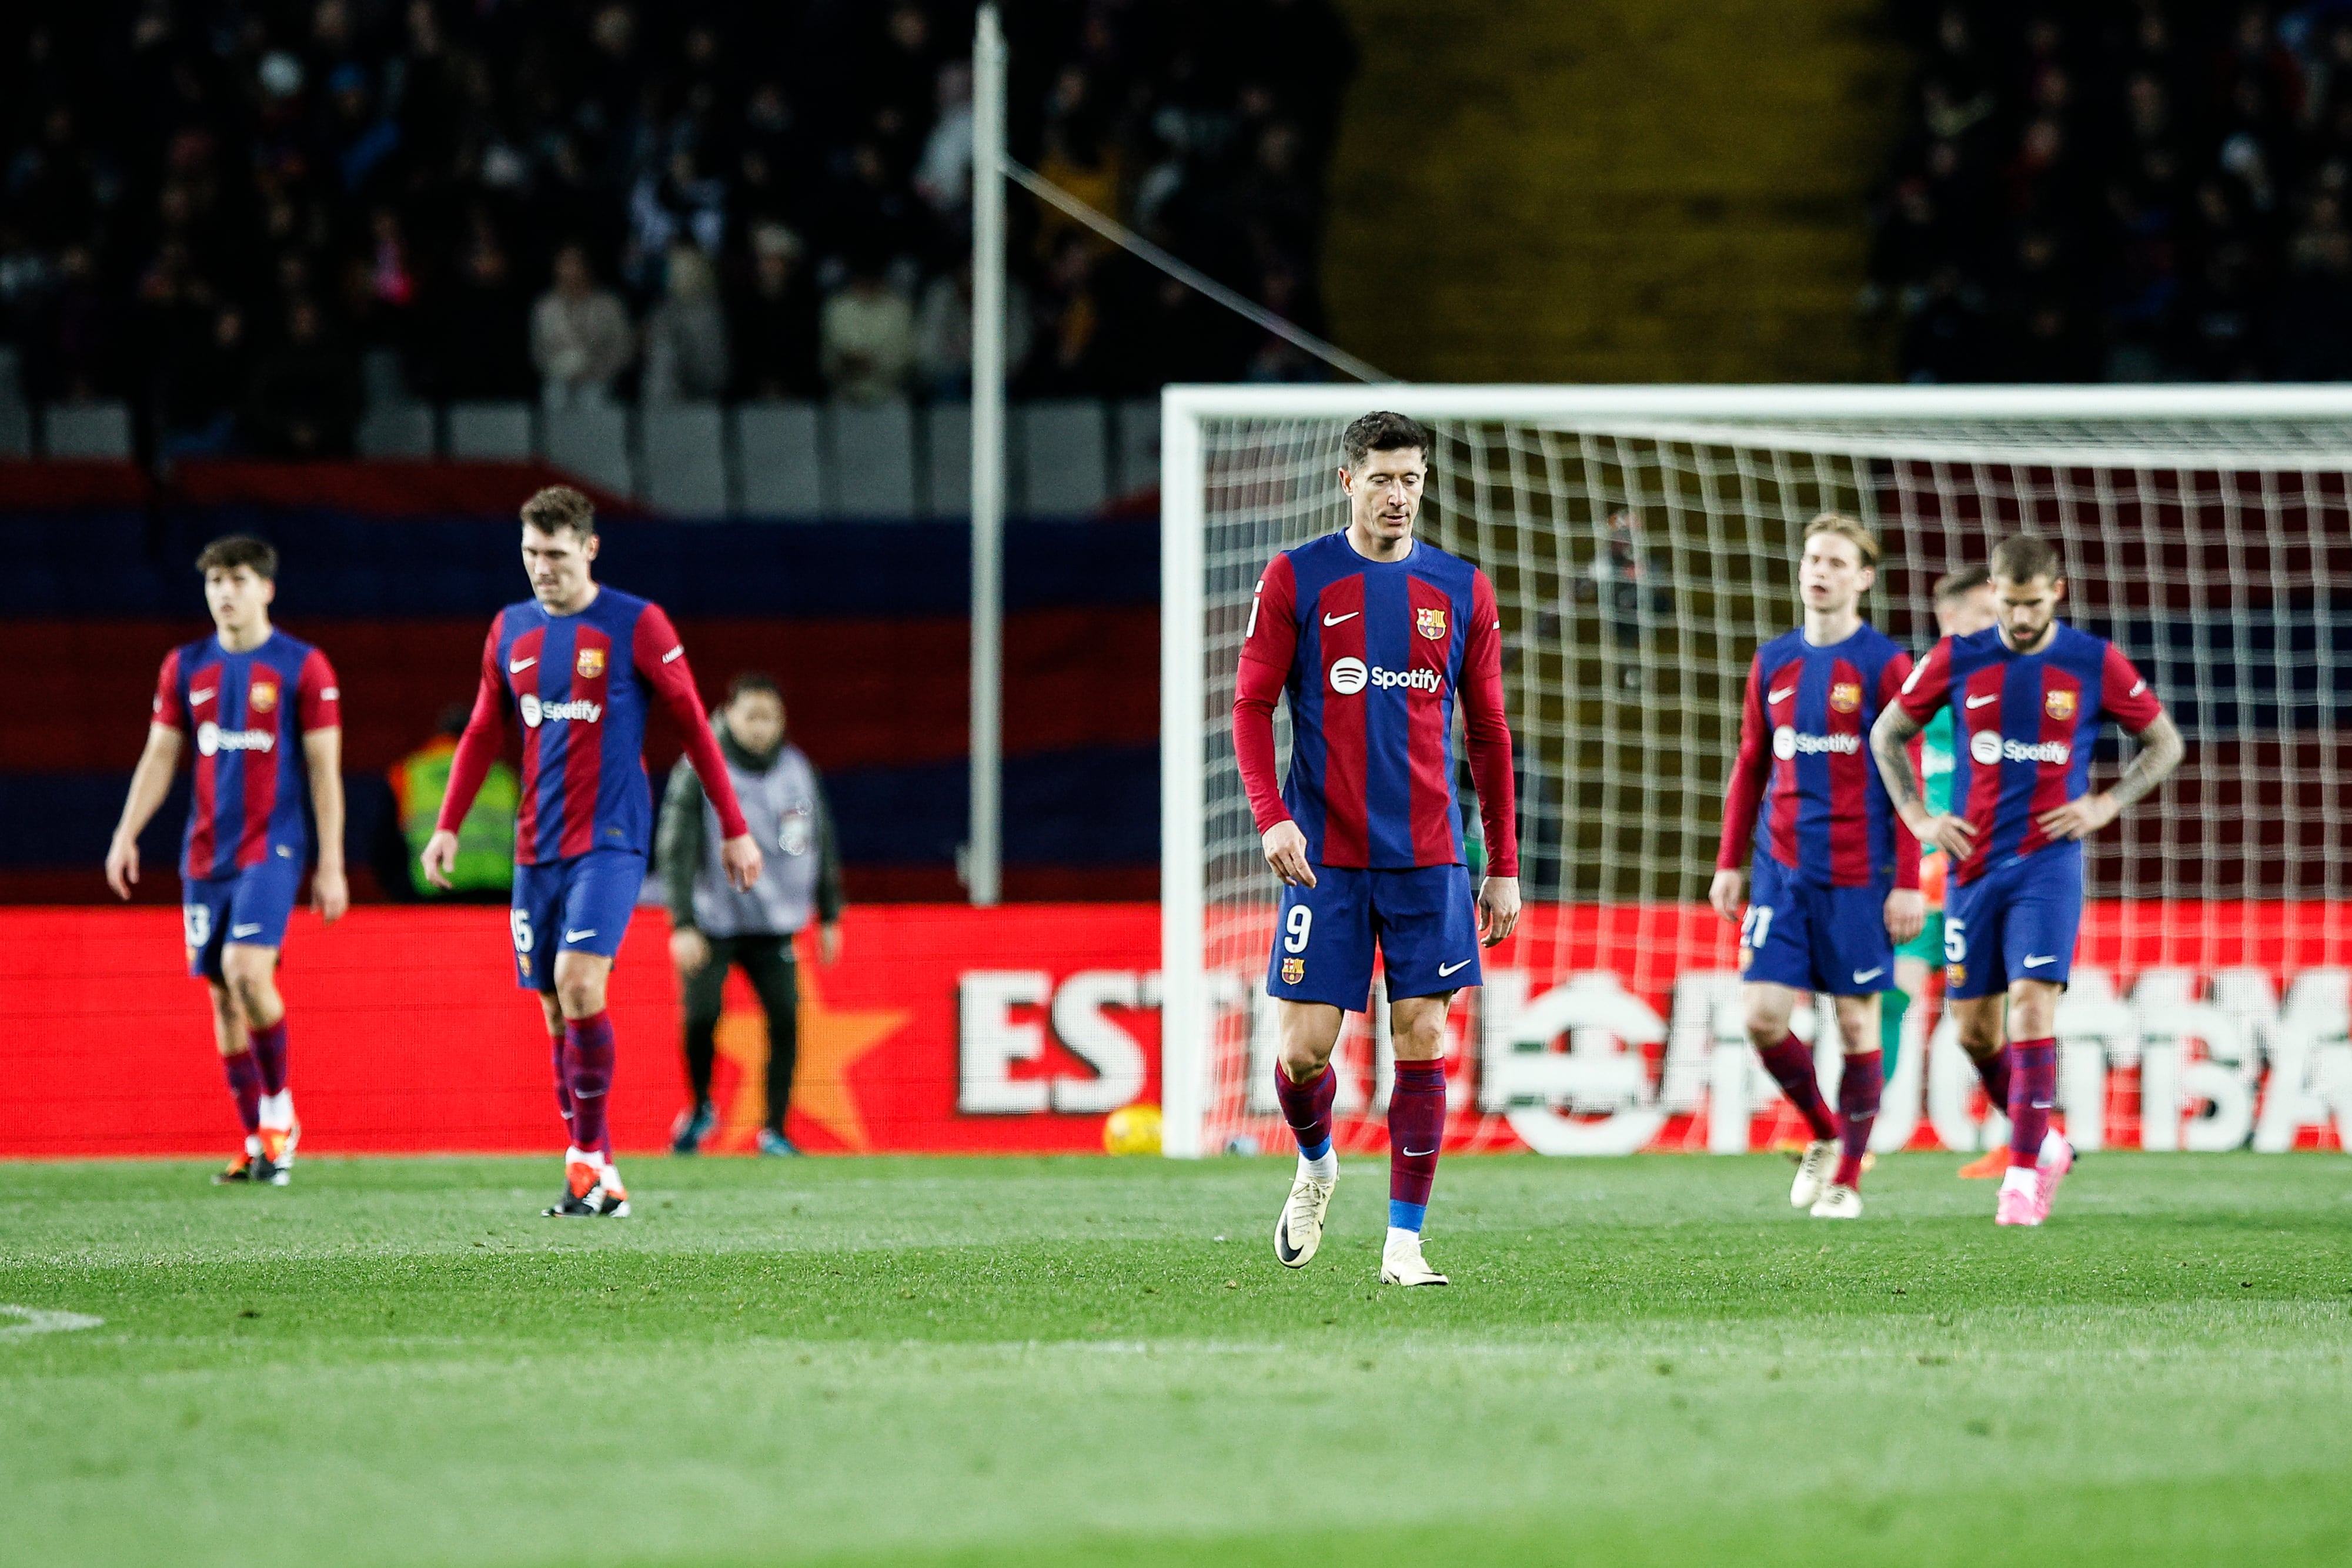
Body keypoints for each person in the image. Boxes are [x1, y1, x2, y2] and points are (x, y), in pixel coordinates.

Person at [1232, 410, 1521, 1288]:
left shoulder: (1461, 588)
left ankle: (1404, 1242)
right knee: (1304, 1051)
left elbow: (1491, 732)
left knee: (1424, 1034)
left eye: (1412, 479)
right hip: (1326, 853)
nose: (1399, 495)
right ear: (1348, 481)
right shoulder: (1298, 577)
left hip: (1431, 854)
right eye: (1383, 478)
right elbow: (1250, 706)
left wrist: (1502, 861)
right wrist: (1271, 814)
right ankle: (1317, 1162)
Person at [420, 486, 760, 1218]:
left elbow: (696, 726)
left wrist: (733, 825)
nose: (542, 567)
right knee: (553, 1008)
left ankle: (588, 1160)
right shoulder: (509, 629)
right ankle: (595, 1169)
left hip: (609, 841)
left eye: (555, 553)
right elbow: (484, 730)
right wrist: (447, 823)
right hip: (534, 848)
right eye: (530, 554)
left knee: (579, 982)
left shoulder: (637, 623)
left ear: (589, 548)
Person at [1872, 533, 2183, 1226]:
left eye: (2031, 604)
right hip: (1972, 867)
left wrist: (2107, 802)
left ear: (2057, 593)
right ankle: (2044, 1144)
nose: (2018, 619)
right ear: (1994, 592)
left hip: (2048, 865)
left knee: (2033, 1007)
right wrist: (1920, 818)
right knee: (1974, 1033)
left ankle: (2019, 1178)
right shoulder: (1958, 658)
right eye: (2008, 604)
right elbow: (1886, 734)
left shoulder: (2090, 661)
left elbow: (2164, 742)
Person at [104, 536, 347, 1185]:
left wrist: (332, 863)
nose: (224, 593)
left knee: (245, 971)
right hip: (205, 853)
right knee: (220, 994)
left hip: (274, 847)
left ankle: (279, 1111)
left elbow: (325, 771)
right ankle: (257, 1143)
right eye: (214, 581)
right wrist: (128, 832)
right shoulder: (185, 667)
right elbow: (160, 755)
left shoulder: (304, 667)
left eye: (237, 579)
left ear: (266, 588)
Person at [1709, 514, 1924, 1220]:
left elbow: (1906, 774)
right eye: (1812, 559)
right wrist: (1729, 862)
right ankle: (1828, 1136)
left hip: (1859, 874)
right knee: (1762, 1018)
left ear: (1862, 578)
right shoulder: (1773, 660)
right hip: (1780, 868)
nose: (1819, 571)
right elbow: (1750, 764)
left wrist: (1907, 881)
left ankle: (1847, 1180)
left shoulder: (1885, 665)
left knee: (1858, 1028)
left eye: (1835, 562)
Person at [656, 673, 844, 1156]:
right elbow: (675, 847)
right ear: (729, 714)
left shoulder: (798, 770)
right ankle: (700, 1107)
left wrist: (829, 914)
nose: (762, 728)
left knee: (786, 1019)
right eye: (752, 716)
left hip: (774, 924)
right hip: (712, 921)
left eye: (771, 717)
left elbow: (821, 843)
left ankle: (775, 1129)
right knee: (701, 1017)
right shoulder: (699, 765)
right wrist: (681, 922)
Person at [1886, 567, 2000, 1172]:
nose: (1998, 625)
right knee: (1891, 995)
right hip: (1926, 871)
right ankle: (1857, 1136)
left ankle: (2021, 1139)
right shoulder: (1924, 682)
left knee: (1981, 1017)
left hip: (1981, 870)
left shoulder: (2006, 682)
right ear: (1951, 619)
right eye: (1985, 614)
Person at [388, 703, 515, 899]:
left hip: (432, 891)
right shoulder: (505, 778)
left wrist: (402, 896)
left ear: (440, 735)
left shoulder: (407, 774)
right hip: (497, 894)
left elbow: (387, 844)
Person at [530, 243, 634, 409]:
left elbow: (624, 348)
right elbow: (538, 352)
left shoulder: (610, 305)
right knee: (555, 396)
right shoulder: (545, 307)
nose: (571, 271)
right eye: (565, 264)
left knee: (593, 399)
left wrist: (596, 371)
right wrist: (561, 367)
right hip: (559, 379)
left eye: (575, 263)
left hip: (600, 380)